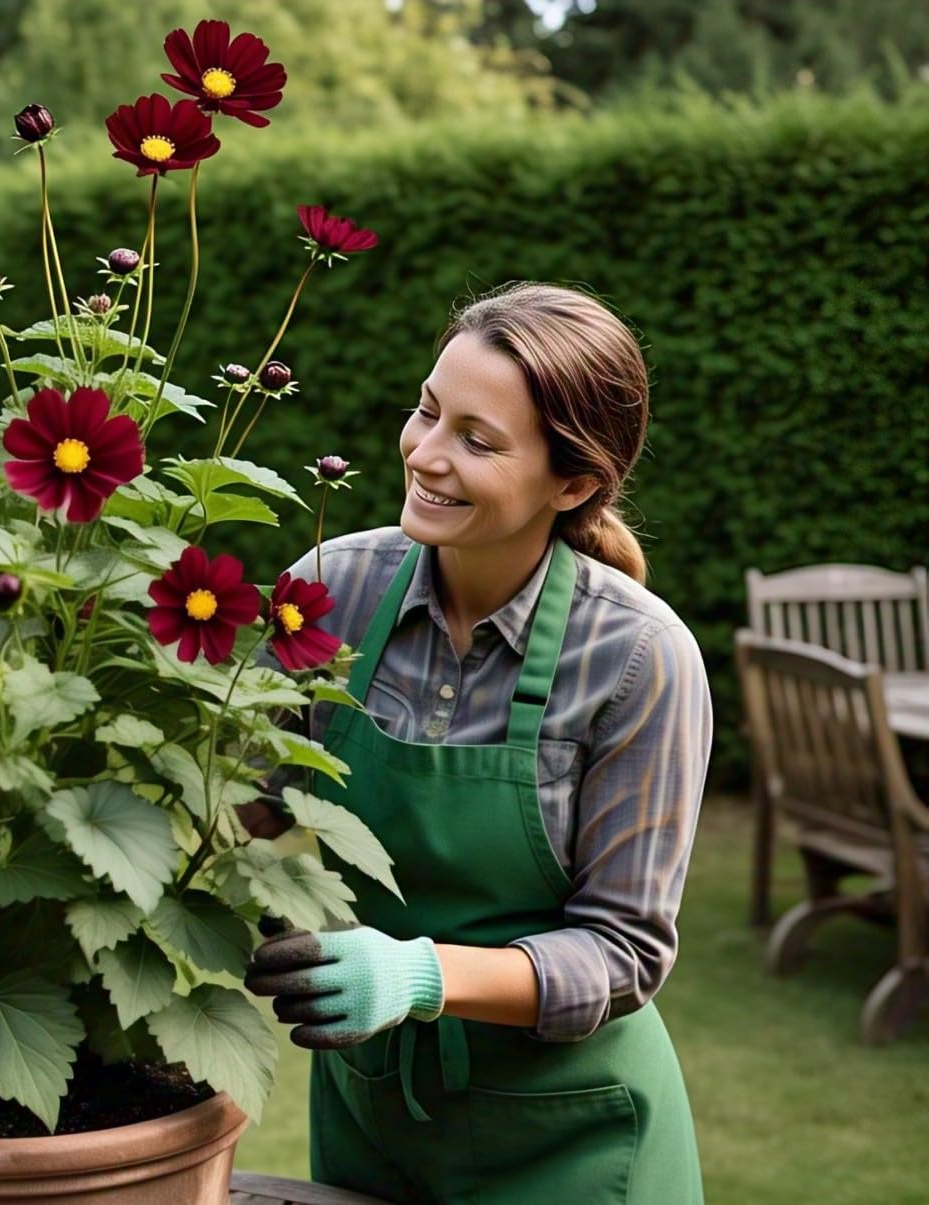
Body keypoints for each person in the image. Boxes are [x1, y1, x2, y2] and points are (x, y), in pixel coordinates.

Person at [242, 282, 713, 1204]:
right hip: (377, 1111)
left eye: (478, 440)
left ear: (572, 484)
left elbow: (624, 952)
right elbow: (239, 808)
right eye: (427, 411)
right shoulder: (331, 590)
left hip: (572, 1134)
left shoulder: (636, 658)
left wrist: (417, 972)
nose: (427, 454)